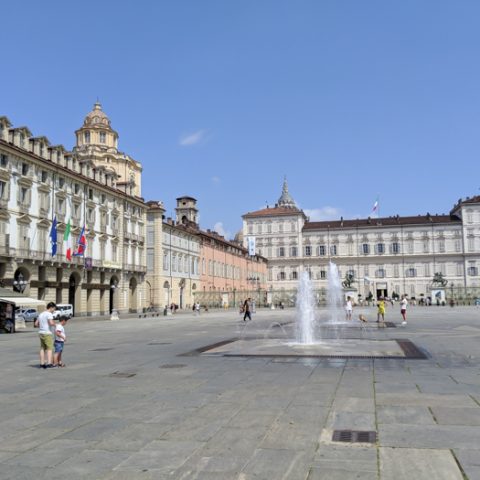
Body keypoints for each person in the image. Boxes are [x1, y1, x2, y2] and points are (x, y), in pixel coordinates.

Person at [34, 302, 56, 369]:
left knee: (42, 348)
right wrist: (56, 325)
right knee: (50, 348)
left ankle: (42, 364)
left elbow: (36, 324)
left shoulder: (41, 314)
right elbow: (51, 322)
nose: (54, 310)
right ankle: (49, 363)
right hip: (47, 333)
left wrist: (42, 326)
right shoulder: (49, 314)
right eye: (54, 309)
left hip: (41, 332)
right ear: (51, 307)